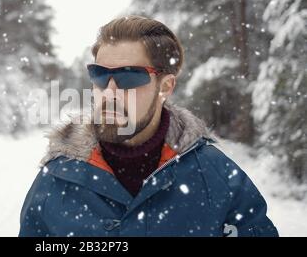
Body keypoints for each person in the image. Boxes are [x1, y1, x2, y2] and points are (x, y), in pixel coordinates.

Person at [19, 15, 278, 237]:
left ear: (165, 86)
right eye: (99, 74)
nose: (109, 93)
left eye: (128, 76)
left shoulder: (216, 177)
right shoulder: (57, 179)